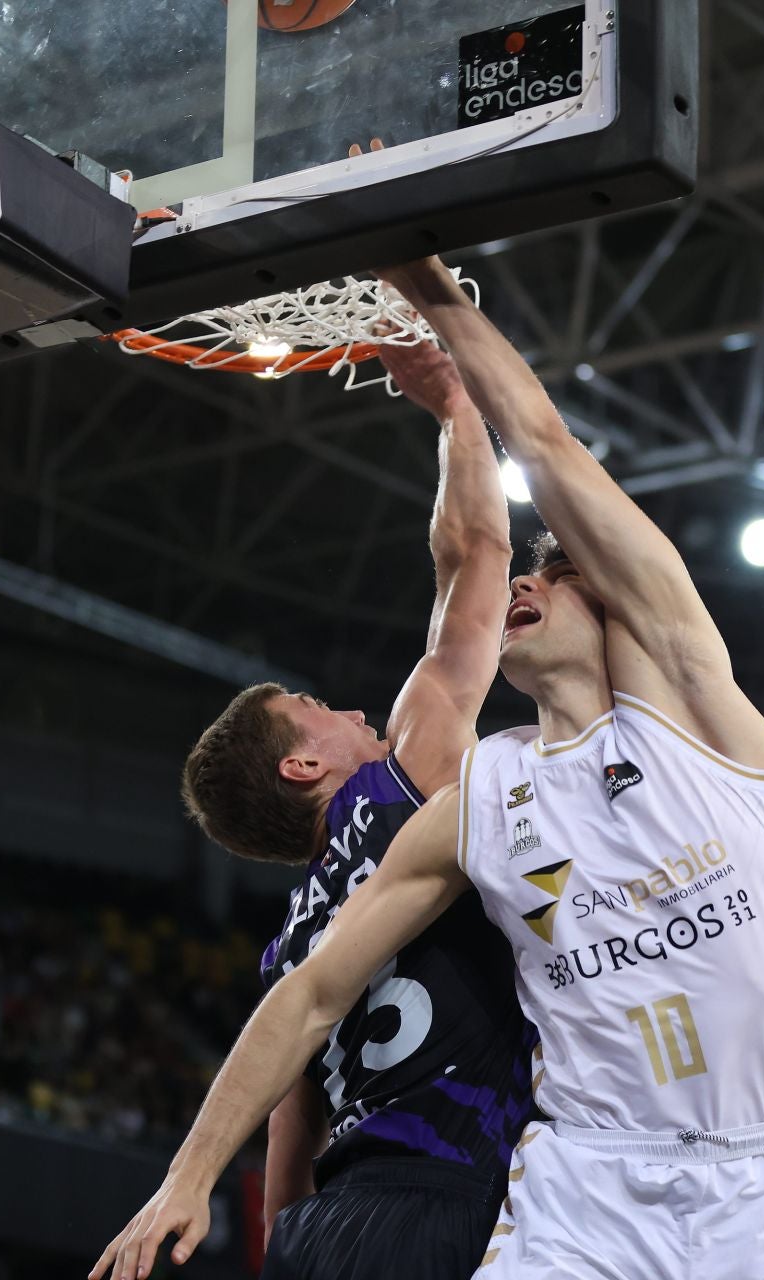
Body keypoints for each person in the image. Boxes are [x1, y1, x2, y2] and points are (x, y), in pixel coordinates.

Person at [91, 258, 764, 1280]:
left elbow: (544, 447)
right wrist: (187, 1174)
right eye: (527, 569)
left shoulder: (702, 715)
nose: (524, 579)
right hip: (583, 1183)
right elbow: (314, 992)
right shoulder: (478, 799)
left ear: (609, 608)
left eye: (551, 571)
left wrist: (435, 292)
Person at [175, 335, 535, 1280]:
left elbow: (286, 1163)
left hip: (327, 1231)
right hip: (452, 1197)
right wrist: (457, 408)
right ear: (301, 768)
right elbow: (477, 558)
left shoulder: (286, 952)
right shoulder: (400, 785)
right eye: (314, 710)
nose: (346, 709)